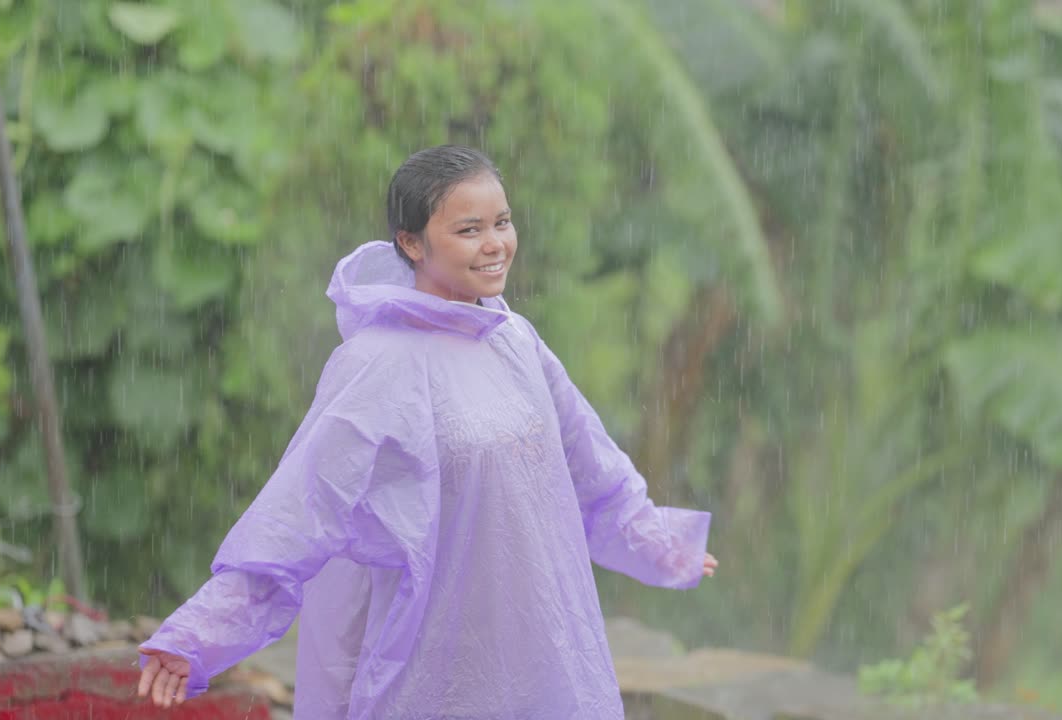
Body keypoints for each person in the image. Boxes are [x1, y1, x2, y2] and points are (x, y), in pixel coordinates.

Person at [136, 145, 718, 719]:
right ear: (411, 243)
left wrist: (655, 539)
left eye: (503, 222)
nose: (495, 244)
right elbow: (302, 506)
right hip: (437, 660)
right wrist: (201, 634)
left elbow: (586, 459)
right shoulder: (378, 363)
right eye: (469, 229)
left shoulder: (514, 339)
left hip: (544, 643)